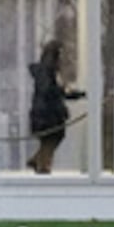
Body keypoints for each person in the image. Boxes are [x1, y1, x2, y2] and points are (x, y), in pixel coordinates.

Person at [26, 39, 85, 174]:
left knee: (52, 139)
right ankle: (43, 165)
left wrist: (77, 94)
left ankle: (39, 160)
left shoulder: (52, 72)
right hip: (46, 115)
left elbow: (58, 92)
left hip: (50, 114)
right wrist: (62, 91)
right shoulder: (46, 71)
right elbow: (48, 90)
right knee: (51, 139)